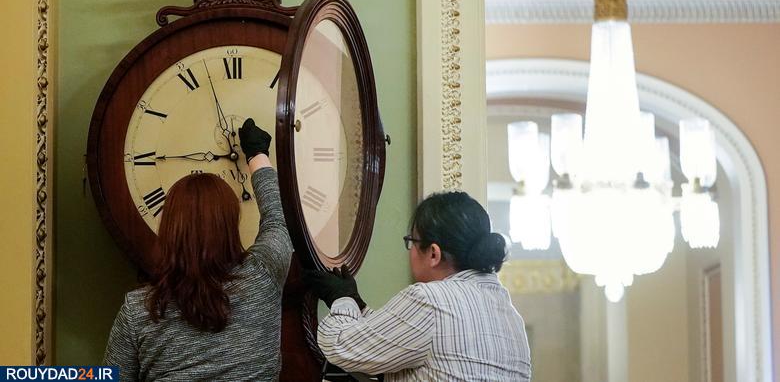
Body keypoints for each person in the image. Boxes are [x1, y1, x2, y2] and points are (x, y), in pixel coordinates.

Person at [103, 119, 292, 381]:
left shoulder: (139, 310)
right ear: (229, 226)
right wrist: (257, 154)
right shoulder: (262, 275)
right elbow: (278, 219)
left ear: (168, 229)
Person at [306, 191, 532, 381]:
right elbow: (397, 337)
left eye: (411, 241)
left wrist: (341, 299)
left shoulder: (431, 300)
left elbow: (340, 346)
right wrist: (358, 305)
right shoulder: (511, 316)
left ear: (433, 253)